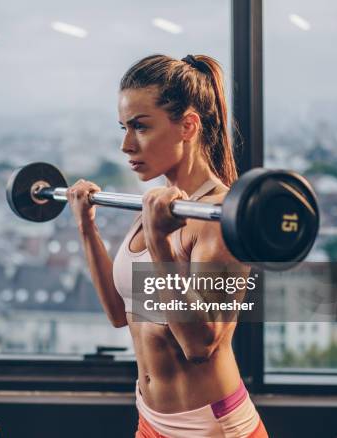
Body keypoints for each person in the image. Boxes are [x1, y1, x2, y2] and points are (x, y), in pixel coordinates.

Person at [66, 54, 269, 438]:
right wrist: (85, 226)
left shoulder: (218, 219)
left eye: (140, 127)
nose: (126, 144)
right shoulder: (155, 207)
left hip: (211, 428)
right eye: (124, 128)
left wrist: (160, 245)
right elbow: (118, 313)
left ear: (188, 125)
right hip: (150, 418)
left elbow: (198, 345)